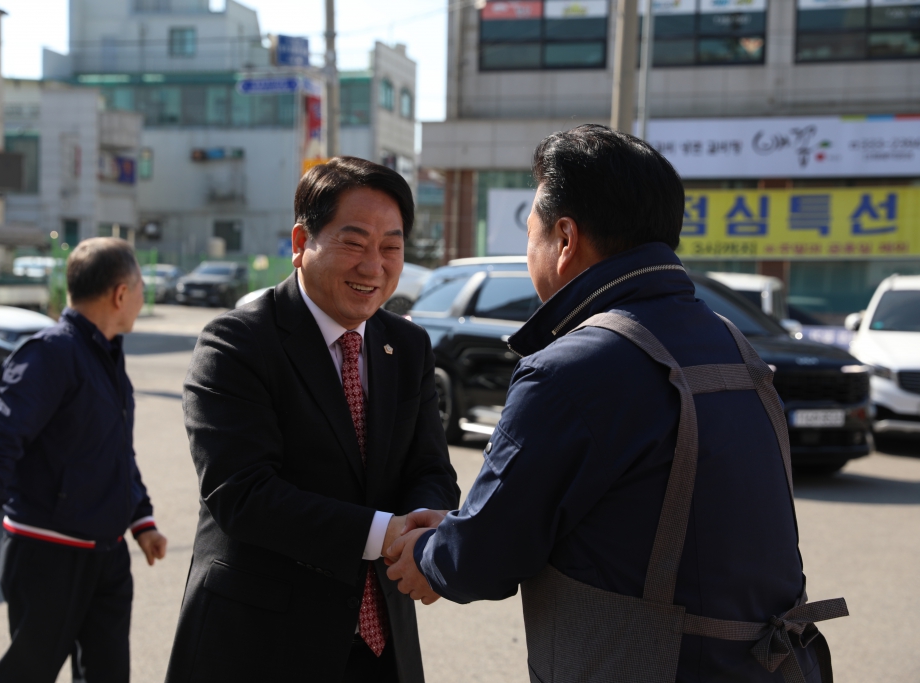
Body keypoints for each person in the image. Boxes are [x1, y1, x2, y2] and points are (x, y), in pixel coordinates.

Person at [385, 125, 847, 683]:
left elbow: (486, 557)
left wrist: (431, 556)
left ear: (564, 237)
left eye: (529, 230)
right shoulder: (728, 338)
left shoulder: (574, 366)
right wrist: (456, 530)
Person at [165, 157, 459, 683]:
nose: (374, 266)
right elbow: (244, 494)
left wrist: (426, 534)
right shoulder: (236, 343)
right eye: (354, 242)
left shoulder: (407, 345)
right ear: (301, 242)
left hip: (380, 644)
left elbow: (430, 467)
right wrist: (384, 533)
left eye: (391, 247)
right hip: (259, 645)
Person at [0, 237, 168, 683]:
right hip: (47, 551)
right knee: (27, 673)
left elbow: (114, 451)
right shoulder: (51, 352)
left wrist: (141, 519)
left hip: (106, 554)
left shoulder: (105, 354)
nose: (143, 298)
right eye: (141, 287)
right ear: (120, 294)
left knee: (107, 674)